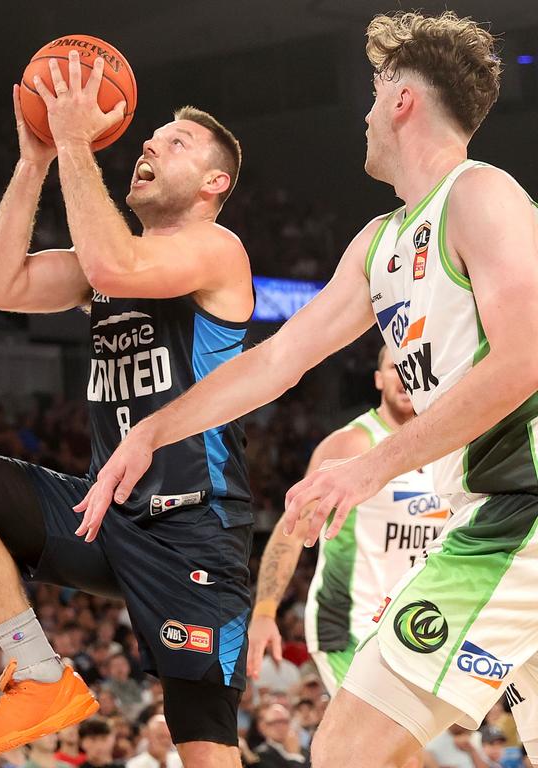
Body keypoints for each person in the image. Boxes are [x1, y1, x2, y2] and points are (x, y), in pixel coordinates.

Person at [77, 11, 538, 768]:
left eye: (372, 92)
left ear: (400, 100)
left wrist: (370, 465)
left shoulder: (481, 194)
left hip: (522, 508)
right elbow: (277, 360)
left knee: (346, 752)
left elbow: (524, 360)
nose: (362, 114)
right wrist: (152, 431)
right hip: (496, 509)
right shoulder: (381, 243)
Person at [0, 46, 255, 768]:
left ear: (213, 182)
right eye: (150, 138)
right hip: (106, 513)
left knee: (203, 750)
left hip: (195, 528)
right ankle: (37, 672)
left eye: (175, 144)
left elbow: (115, 266)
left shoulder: (217, 249)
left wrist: (75, 139)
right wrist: (36, 160)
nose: (149, 145)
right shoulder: (109, 263)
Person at [247, 347, 439, 695]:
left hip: (418, 622)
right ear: (378, 379)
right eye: (397, 367)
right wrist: (264, 612)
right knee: (379, 743)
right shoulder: (350, 443)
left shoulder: (449, 444)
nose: (408, 376)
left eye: (416, 366)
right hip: (351, 624)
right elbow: (293, 528)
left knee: (393, 748)